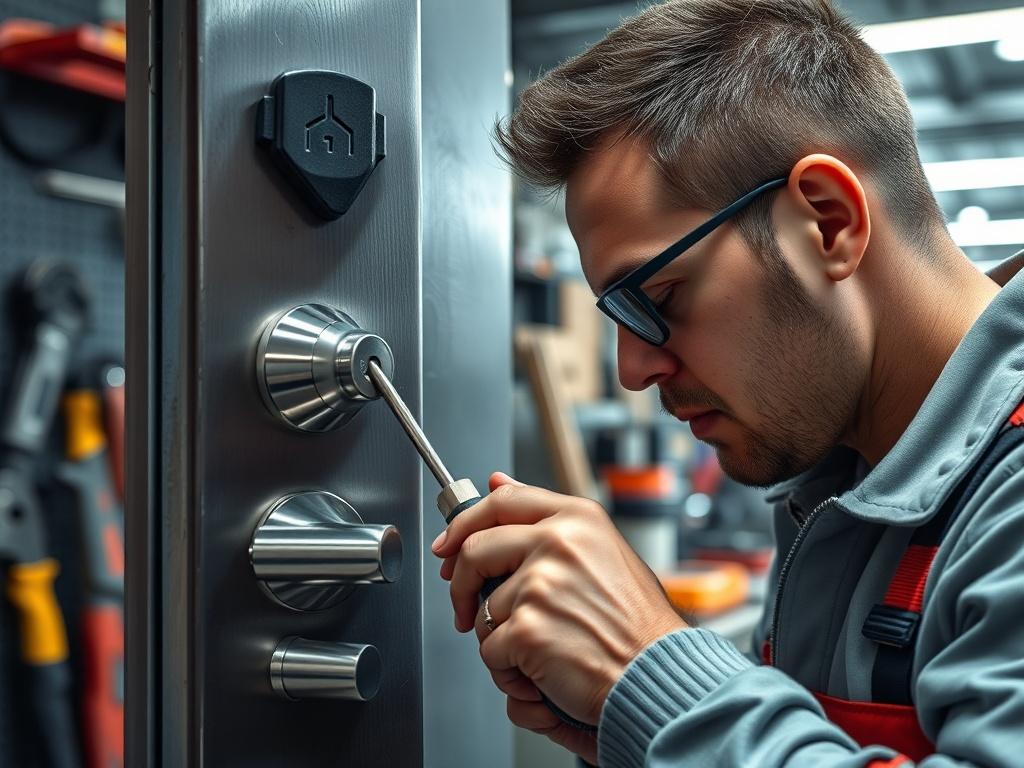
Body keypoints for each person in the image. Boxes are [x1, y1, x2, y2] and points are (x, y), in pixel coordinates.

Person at [429, 1, 1024, 766]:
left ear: (827, 221)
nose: (632, 369)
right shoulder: (841, 486)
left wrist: (655, 670)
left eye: (661, 298)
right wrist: (631, 724)